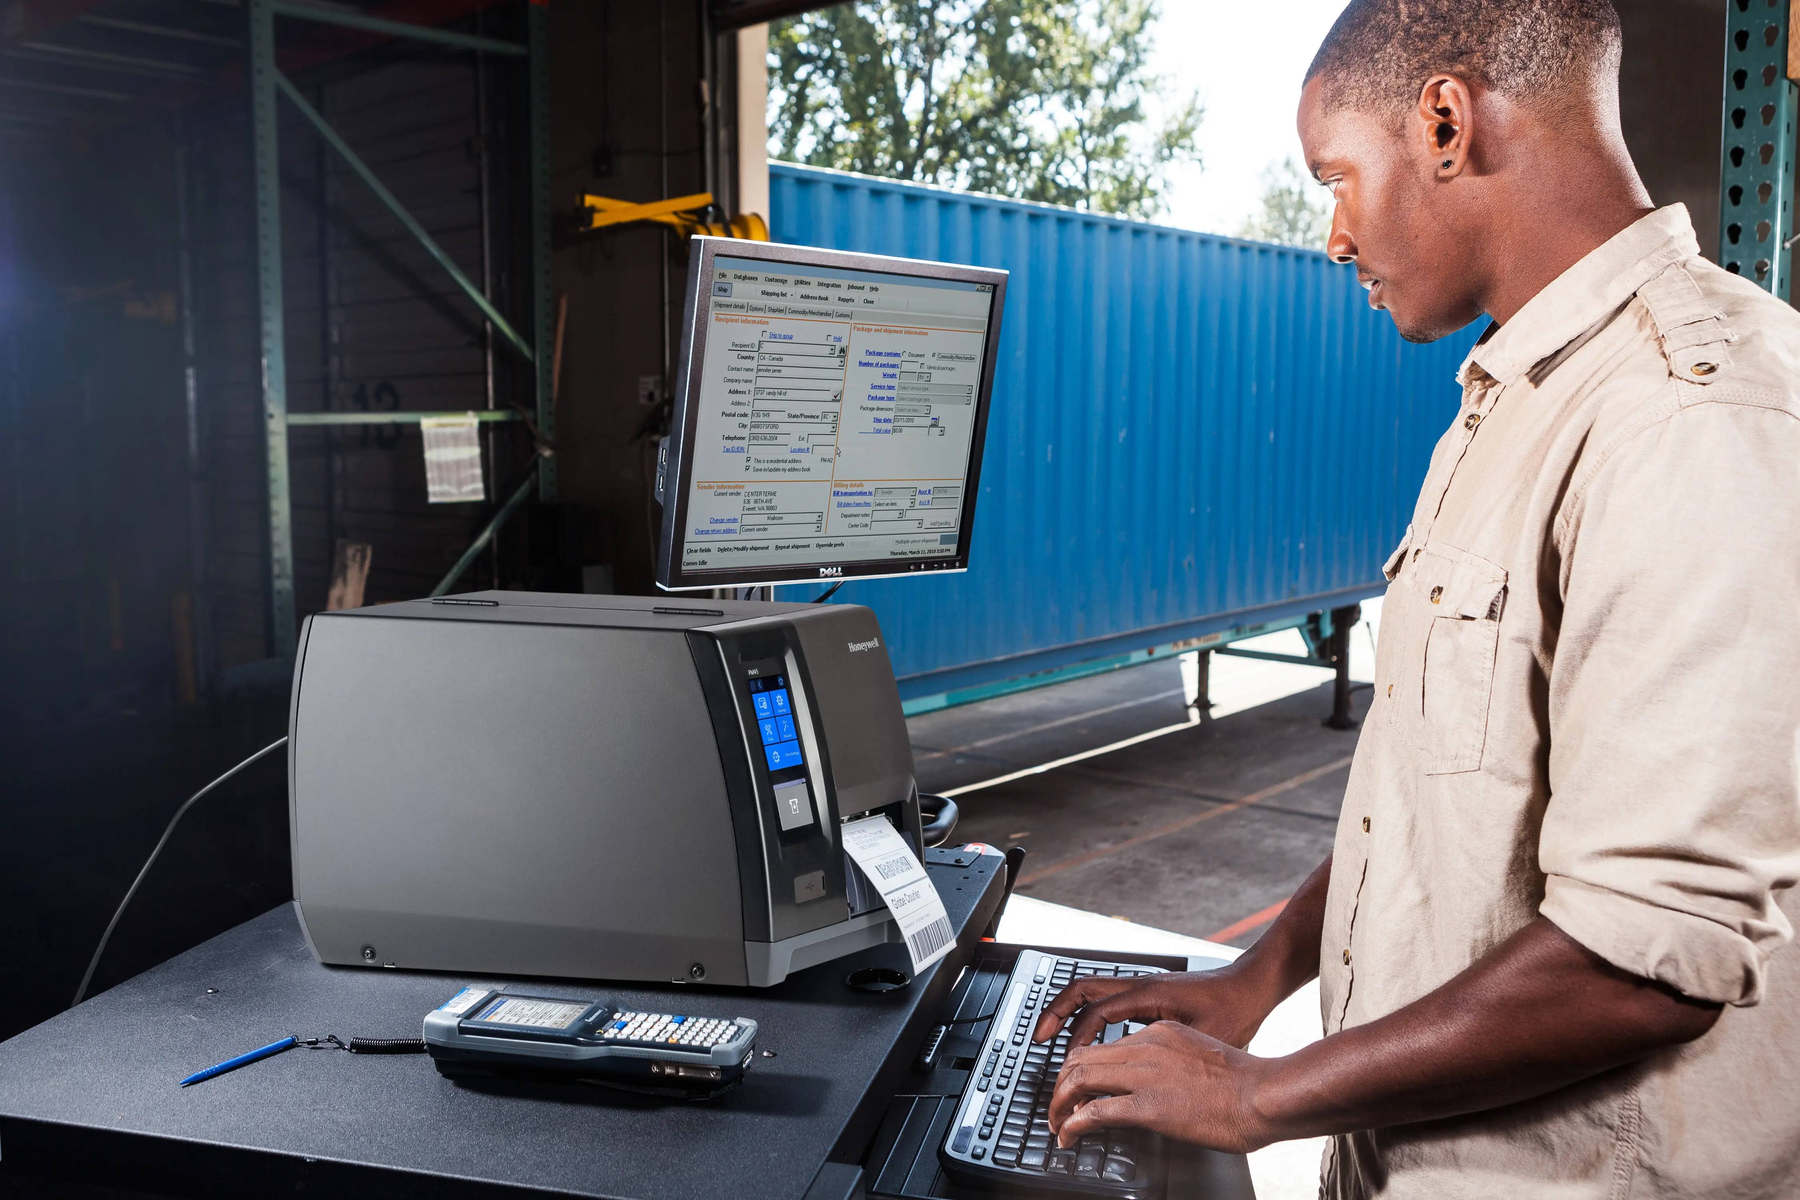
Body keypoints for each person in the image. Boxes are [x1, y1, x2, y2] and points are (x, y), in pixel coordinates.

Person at [1033, 1, 1800, 1195]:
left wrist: (1261, 1094)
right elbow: (1441, 802)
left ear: (1445, 122)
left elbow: (1649, 957)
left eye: (1337, 178)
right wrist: (1259, 979)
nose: (1334, 237)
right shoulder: (1516, 399)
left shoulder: (1688, 417)